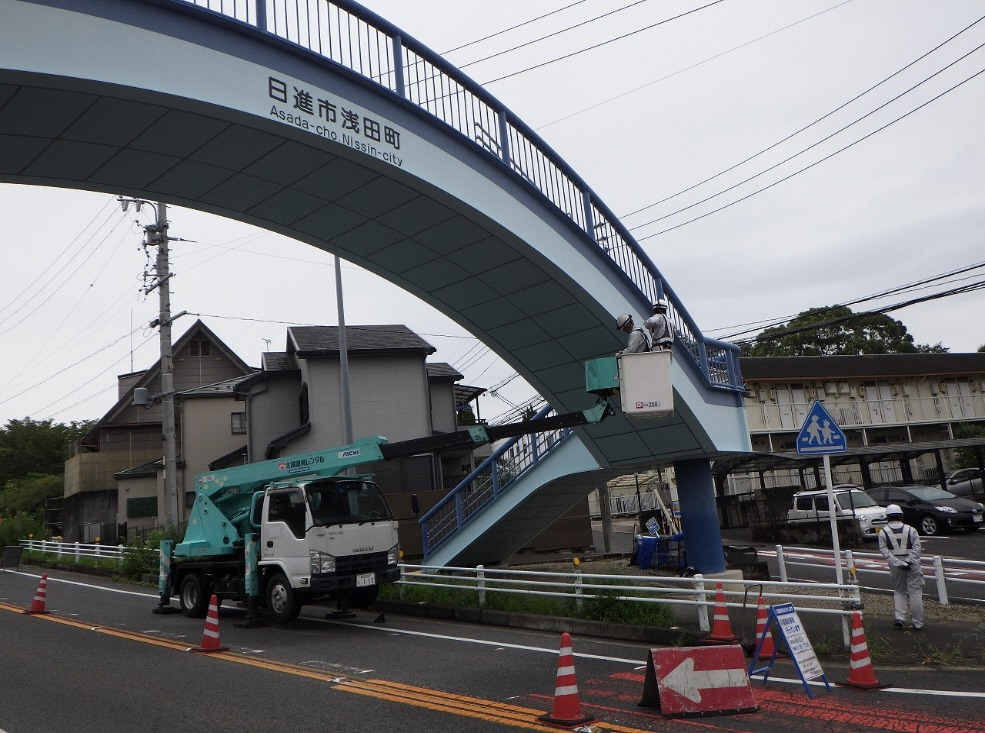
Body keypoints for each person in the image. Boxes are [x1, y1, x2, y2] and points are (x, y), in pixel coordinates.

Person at [877, 504, 924, 630]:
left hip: (895, 566)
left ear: (888, 517)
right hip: (913, 565)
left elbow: (884, 551)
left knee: (899, 591)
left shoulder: (883, 531)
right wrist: (908, 561)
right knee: (915, 592)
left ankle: (900, 617)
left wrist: (899, 563)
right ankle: (917, 623)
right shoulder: (911, 529)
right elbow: (917, 547)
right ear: (901, 515)